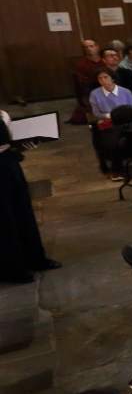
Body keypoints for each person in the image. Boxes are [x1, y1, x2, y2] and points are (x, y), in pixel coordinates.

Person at [0, 110, 60, 283]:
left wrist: (20, 143)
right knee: (5, 219)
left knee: (23, 212)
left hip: (8, 163)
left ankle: (35, 259)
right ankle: (14, 269)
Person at [89, 68, 132, 180]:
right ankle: (116, 170)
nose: (103, 80)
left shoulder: (125, 91)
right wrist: (109, 116)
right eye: (100, 78)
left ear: (112, 78)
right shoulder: (95, 94)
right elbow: (96, 112)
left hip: (126, 122)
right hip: (108, 123)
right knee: (112, 141)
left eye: (105, 77)